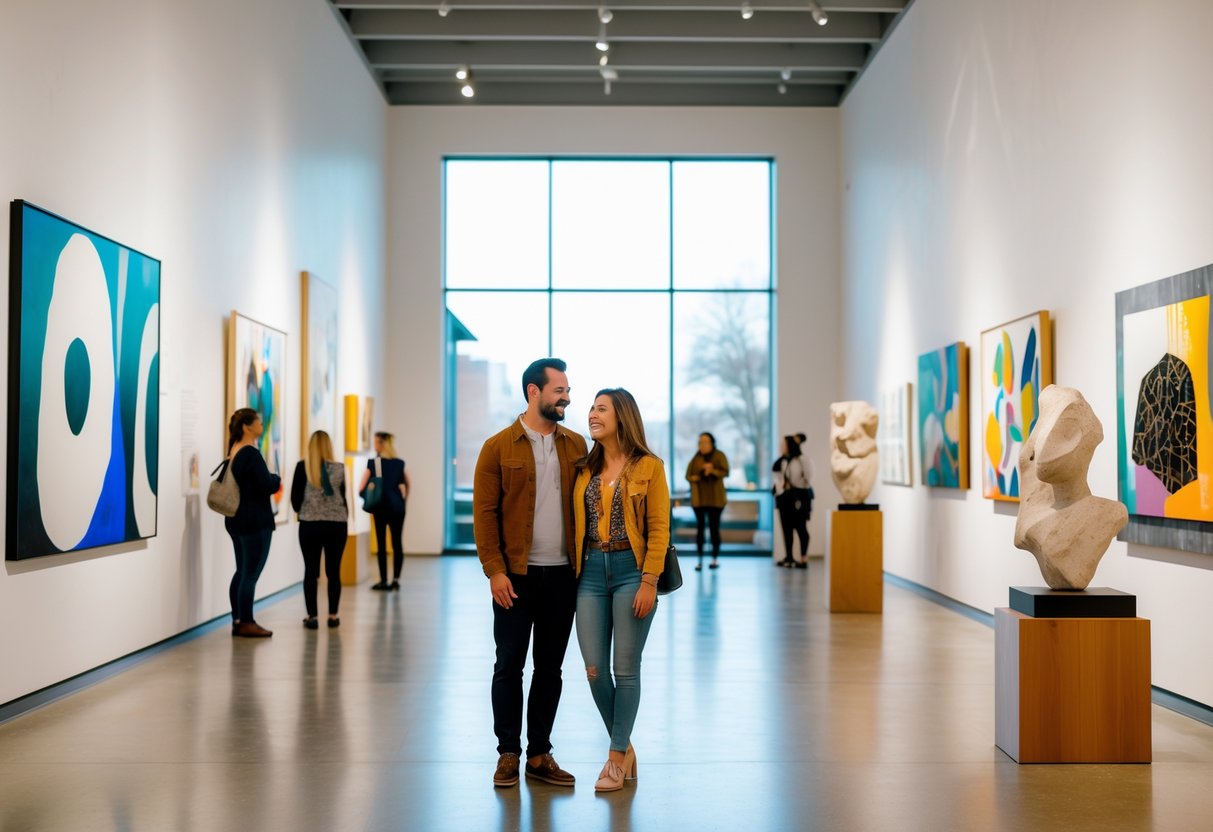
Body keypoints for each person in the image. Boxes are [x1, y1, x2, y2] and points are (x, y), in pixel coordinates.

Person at [474, 358, 587, 789]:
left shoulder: (577, 446)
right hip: (515, 579)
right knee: (508, 665)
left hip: (563, 577)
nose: (568, 398)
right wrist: (494, 572)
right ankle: (508, 752)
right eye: (560, 390)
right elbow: (484, 516)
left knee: (550, 668)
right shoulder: (498, 447)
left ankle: (540, 753)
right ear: (533, 392)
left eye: (567, 390)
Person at [572, 388, 670, 792]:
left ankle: (614, 759)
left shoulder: (650, 467)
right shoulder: (583, 469)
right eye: (591, 408)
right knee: (595, 670)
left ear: (622, 416)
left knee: (625, 671)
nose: (592, 414)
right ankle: (625, 746)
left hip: (632, 571)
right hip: (590, 572)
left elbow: (660, 529)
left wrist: (649, 581)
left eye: (601, 408)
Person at [224, 408, 282, 638]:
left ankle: (238, 619)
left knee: (241, 571)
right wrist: (276, 479)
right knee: (250, 574)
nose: (261, 424)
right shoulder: (251, 453)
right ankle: (247, 621)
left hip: (236, 520)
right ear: (248, 427)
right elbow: (266, 485)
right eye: (258, 421)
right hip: (254, 522)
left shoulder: (234, 450)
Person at [291, 430, 349, 629]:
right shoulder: (340, 468)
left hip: (310, 525)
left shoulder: (302, 467)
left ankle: (312, 617)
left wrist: (308, 509)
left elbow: (295, 501)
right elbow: (343, 499)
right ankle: (333, 616)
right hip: (337, 525)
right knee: (334, 571)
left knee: (311, 571)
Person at [359, 432, 410, 591]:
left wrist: (367, 494)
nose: (375, 445)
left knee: (381, 544)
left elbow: (361, 487)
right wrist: (403, 501)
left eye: (376, 442)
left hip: (380, 507)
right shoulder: (399, 463)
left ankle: (383, 581)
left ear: (381, 444)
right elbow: (407, 484)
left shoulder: (374, 463)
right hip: (397, 507)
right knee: (397, 543)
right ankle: (396, 580)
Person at [685, 432, 729, 571]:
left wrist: (713, 470)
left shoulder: (719, 455)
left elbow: (726, 472)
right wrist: (697, 477)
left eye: (705, 442)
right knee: (700, 529)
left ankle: (715, 559)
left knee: (714, 529)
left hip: (716, 500)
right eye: (700, 442)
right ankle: (699, 560)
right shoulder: (696, 458)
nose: (702, 445)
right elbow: (688, 475)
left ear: (712, 443)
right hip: (699, 500)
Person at [772, 434, 813, 568]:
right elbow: (778, 479)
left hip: (800, 497)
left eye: (784, 445)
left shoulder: (803, 459)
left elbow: (808, 477)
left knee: (801, 528)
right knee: (786, 529)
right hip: (784, 498)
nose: (781, 447)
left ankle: (803, 558)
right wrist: (781, 490)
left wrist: (795, 486)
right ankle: (789, 557)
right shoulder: (782, 461)